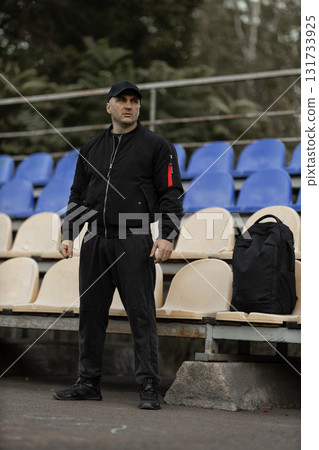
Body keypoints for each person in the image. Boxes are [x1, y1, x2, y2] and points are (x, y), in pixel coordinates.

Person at [53, 81, 184, 409]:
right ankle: (87, 382)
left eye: (134, 101)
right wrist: (69, 231)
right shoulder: (91, 148)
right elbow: (78, 194)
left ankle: (149, 387)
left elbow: (171, 194)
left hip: (135, 238)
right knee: (91, 315)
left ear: (139, 107)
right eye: (121, 100)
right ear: (108, 107)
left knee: (141, 314)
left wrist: (168, 235)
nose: (129, 106)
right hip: (95, 239)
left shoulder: (158, 146)